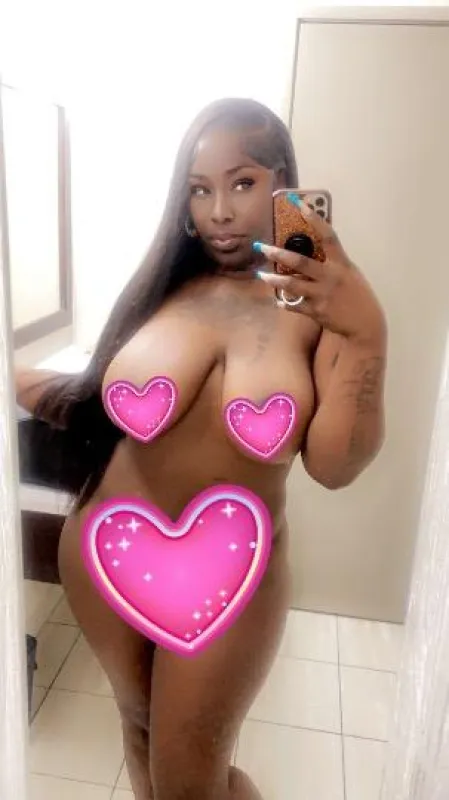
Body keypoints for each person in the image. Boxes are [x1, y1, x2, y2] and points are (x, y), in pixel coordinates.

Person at [15, 98, 387, 800]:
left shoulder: (318, 307)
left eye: (242, 182)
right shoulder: (162, 289)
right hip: (104, 553)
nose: (219, 210)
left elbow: (336, 466)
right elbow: (91, 398)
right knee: (141, 736)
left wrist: (367, 334)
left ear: (283, 182)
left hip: (233, 575)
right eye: (198, 188)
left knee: (191, 780)